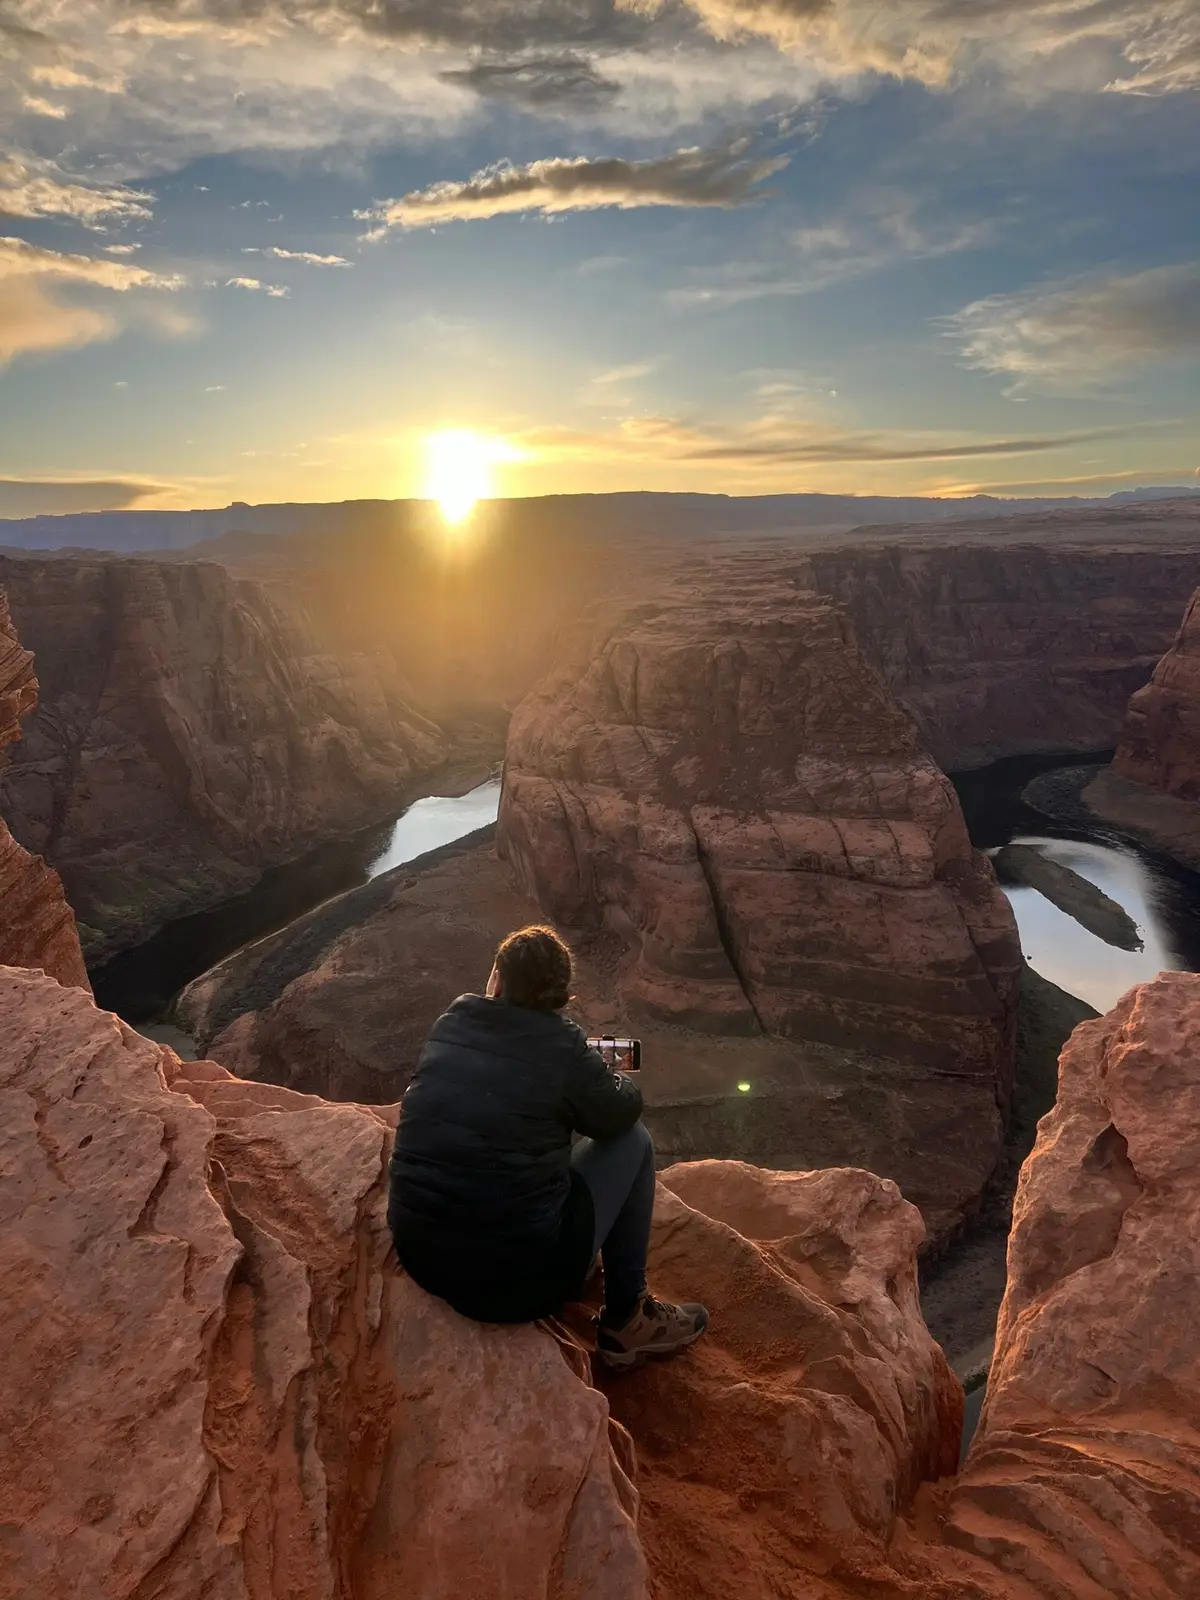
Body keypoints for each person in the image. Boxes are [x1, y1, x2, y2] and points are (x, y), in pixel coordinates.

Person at [388, 924, 709, 1368]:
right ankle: (627, 1320)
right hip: (517, 1288)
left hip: (421, 1254)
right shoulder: (564, 1050)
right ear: (561, 996)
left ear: (495, 978)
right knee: (634, 1142)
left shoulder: (453, 1021)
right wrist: (595, 1072)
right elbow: (621, 1112)